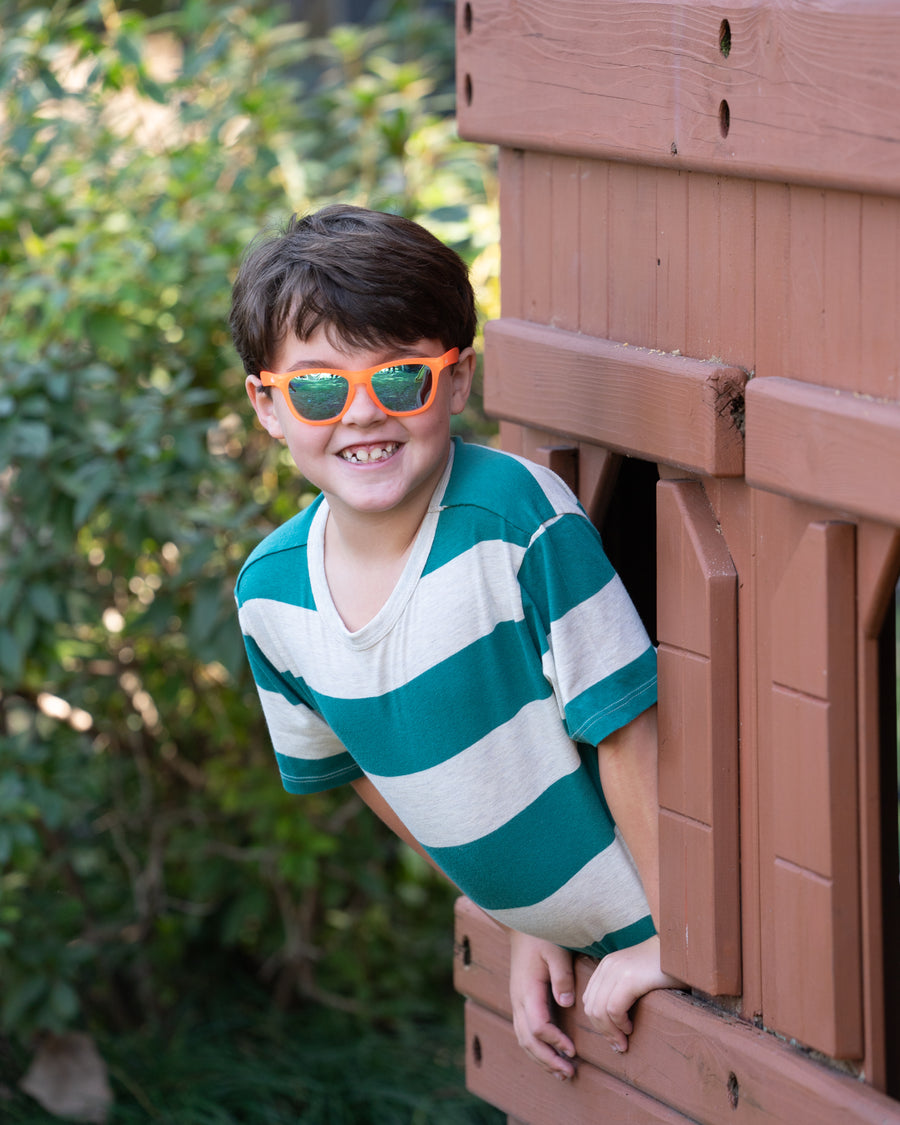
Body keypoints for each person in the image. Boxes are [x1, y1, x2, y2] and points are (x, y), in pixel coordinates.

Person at [230, 204, 681, 1082]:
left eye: (400, 379)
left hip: (672, 937)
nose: (363, 416)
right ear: (267, 405)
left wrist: (675, 934)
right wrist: (520, 916)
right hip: (571, 959)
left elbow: (624, 727)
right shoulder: (271, 595)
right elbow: (361, 769)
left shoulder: (514, 517)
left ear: (458, 378)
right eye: (320, 389)